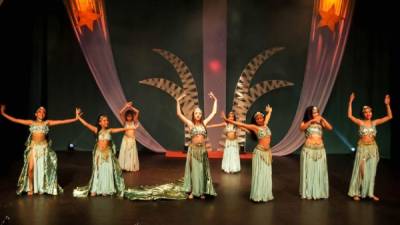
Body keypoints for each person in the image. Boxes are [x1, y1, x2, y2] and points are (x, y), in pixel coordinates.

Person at [0, 105, 79, 195]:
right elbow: (16, 120)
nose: (42, 113)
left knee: (42, 169)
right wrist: (3, 113)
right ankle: (31, 187)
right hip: (33, 148)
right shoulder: (31, 122)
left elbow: (62, 122)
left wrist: (75, 118)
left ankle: (42, 188)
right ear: (36, 113)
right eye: (40, 111)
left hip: (43, 148)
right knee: (30, 168)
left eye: (44, 112)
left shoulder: (47, 122)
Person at [223, 105, 273, 202]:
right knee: (260, 174)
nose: (259, 119)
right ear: (255, 121)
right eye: (257, 118)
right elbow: (240, 124)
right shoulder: (254, 127)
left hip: (267, 153)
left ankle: (265, 193)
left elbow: (267, 117)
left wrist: (269, 111)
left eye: (260, 118)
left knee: (266, 174)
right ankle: (258, 195)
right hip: (259, 153)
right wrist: (228, 120)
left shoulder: (266, 125)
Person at [347, 93, 392, 201]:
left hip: (372, 149)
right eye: (366, 112)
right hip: (362, 149)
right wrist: (350, 102)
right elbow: (349, 116)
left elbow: (390, 117)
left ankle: (370, 193)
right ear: (363, 114)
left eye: (370, 112)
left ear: (371, 113)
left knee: (371, 172)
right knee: (361, 171)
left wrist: (387, 104)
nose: (368, 114)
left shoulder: (374, 122)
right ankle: (356, 192)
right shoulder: (360, 122)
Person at [73, 113, 130, 197]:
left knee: (107, 171)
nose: (107, 121)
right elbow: (86, 124)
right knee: (98, 171)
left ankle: (106, 189)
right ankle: (95, 189)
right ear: (100, 123)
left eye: (107, 120)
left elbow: (121, 129)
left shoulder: (109, 130)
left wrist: (131, 127)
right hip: (99, 154)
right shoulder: (97, 130)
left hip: (107, 154)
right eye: (104, 120)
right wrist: (79, 118)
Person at [176, 92, 218, 199]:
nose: (198, 115)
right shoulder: (191, 124)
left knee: (202, 170)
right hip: (193, 150)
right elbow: (179, 114)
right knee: (194, 171)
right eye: (196, 113)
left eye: (199, 113)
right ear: (193, 115)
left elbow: (214, 112)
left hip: (202, 151)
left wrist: (215, 100)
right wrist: (177, 101)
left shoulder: (204, 123)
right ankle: (193, 191)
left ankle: (202, 191)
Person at [299, 106, 333, 200]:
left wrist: (322, 119)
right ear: (310, 113)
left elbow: (330, 128)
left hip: (320, 150)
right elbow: (301, 128)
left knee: (319, 171)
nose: (316, 114)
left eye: (317, 112)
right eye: (314, 112)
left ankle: (319, 191)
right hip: (308, 150)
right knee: (309, 171)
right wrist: (311, 121)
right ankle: (308, 192)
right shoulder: (306, 122)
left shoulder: (320, 122)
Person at [118, 101, 140, 172]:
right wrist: (126, 106)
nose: (129, 118)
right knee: (125, 153)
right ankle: (124, 166)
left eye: (130, 116)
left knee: (131, 154)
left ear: (132, 117)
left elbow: (137, 112)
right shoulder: (125, 122)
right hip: (126, 140)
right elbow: (120, 113)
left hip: (132, 140)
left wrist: (130, 107)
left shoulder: (134, 122)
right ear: (126, 117)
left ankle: (130, 167)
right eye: (128, 116)